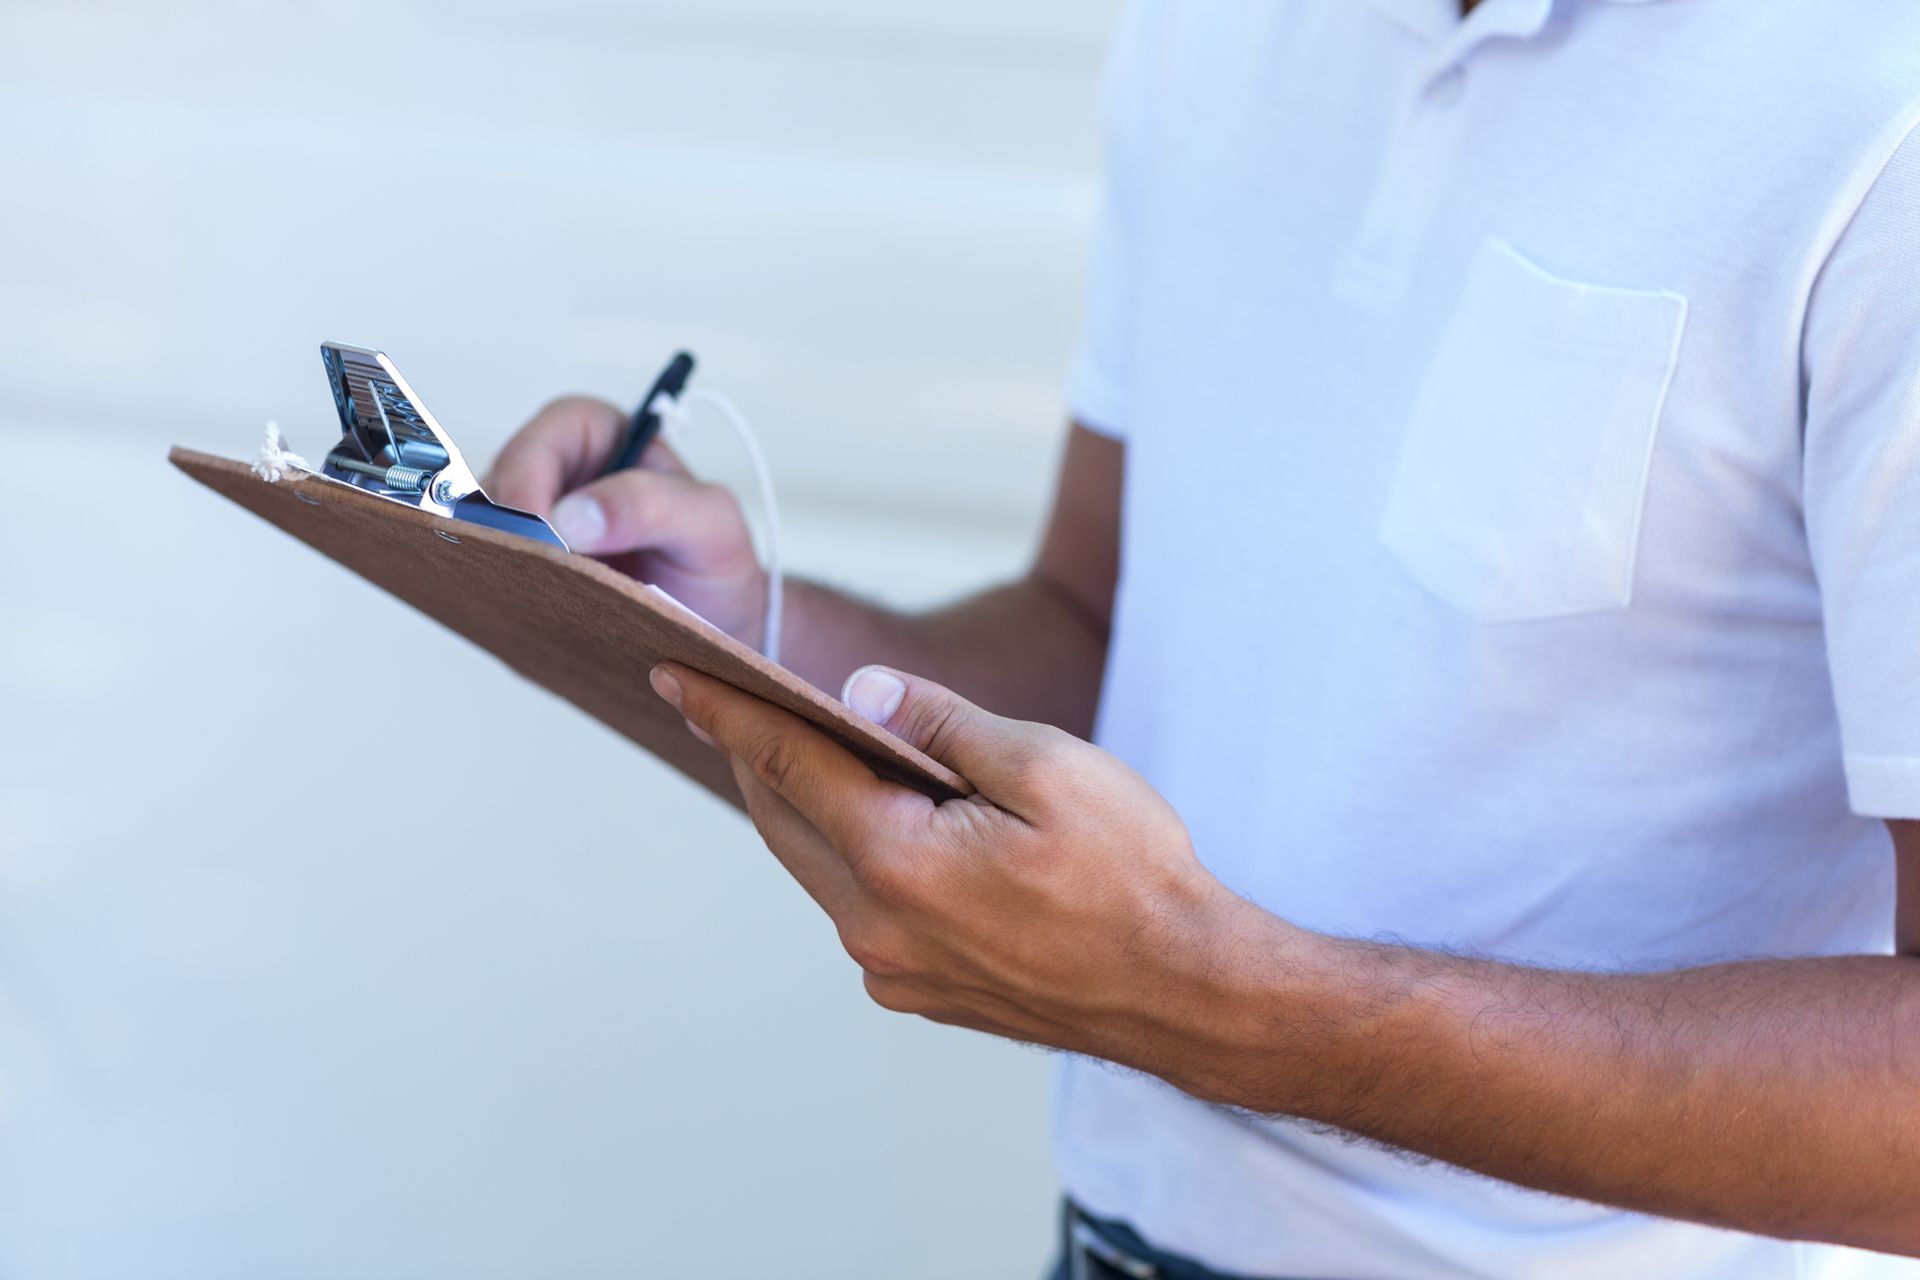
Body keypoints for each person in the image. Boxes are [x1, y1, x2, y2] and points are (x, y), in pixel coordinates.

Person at [488, 1, 1920, 1275]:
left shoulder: (1880, 101)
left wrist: (1207, 1004)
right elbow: (1093, 634)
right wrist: (734, 628)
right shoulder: (1216, 30)